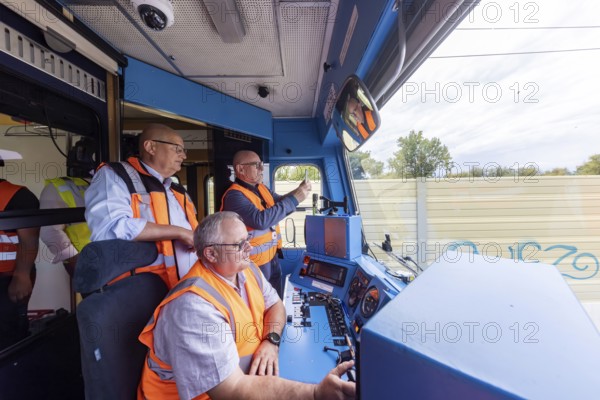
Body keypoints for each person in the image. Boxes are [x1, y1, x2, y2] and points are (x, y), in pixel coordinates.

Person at [137, 211, 355, 400]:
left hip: (246, 379)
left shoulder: (245, 269)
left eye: (247, 239)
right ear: (211, 253)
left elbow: (276, 306)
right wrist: (316, 394)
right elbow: (233, 390)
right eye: (240, 244)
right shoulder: (193, 307)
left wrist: (271, 341)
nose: (249, 248)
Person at [85, 124, 198, 289]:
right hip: (139, 291)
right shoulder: (114, 176)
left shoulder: (177, 191)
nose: (183, 156)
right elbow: (110, 227)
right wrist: (179, 232)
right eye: (178, 149)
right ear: (151, 147)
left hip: (181, 286)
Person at [220, 150, 311, 296]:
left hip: (271, 257)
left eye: (261, 164)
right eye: (256, 165)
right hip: (252, 263)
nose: (261, 169)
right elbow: (260, 220)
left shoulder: (261, 188)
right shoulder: (234, 196)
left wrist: (297, 192)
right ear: (240, 169)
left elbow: (279, 203)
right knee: (260, 302)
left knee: (275, 299)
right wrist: (295, 199)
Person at [40, 137, 97, 278]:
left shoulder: (115, 184)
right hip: (87, 263)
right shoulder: (59, 187)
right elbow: (50, 232)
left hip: (125, 264)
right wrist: (75, 260)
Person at [0, 157, 40, 348]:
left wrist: (22, 275)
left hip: (7, 279)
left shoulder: (17, 196)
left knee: (8, 337)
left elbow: (29, 240)